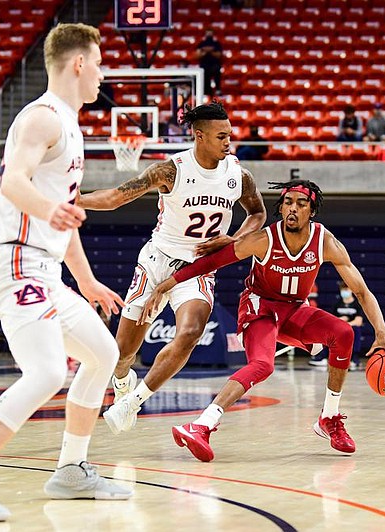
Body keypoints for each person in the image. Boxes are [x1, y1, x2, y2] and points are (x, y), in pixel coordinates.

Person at [0, 23, 132, 523]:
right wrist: (49, 209)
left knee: (103, 352)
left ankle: (71, 470)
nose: (103, 74)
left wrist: (85, 280)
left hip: (43, 269)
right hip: (16, 260)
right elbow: (14, 182)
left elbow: (67, 218)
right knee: (47, 372)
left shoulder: (71, 125)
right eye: (99, 63)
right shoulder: (41, 118)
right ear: (78, 63)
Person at [140, 180, 385, 462]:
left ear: (312, 211)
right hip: (260, 309)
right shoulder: (264, 239)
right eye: (288, 203)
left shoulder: (325, 242)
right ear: (280, 208)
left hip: (294, 311)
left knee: (343, 333)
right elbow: (212, 263)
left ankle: (329, 418)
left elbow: (362, 291)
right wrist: (167, 283)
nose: (293, 208)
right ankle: (201, 425)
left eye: (301, 204)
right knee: (262, 366)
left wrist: (382, 331)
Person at [78, 101, 267, 436]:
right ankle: (123, 381)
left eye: (229, 135)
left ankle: (132, 402)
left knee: (191, 331)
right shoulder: (171, 170)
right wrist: (75, 200)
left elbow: (258, 214)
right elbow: (116, 198)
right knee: (121, 354)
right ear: (199, 135)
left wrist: (233, 240)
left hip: (199, 268)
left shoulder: (238, 174)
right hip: (157, 261)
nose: (228, 142)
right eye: (221, 136)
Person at [309, 280, 364, 369]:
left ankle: (354, 358)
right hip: (339, 328)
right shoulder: (337, 304)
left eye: (346, 289)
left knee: (356, 330)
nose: (345, 292)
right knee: (328, 330)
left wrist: (345, 323)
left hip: (351, 327)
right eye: (343, 290)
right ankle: (322, 356)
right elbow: (333, 319)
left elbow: (358, 321)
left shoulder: (357, 305)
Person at [196, 29, 223, 96]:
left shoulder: (216, 44)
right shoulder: (201, 44)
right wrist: (206, 51)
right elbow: (198, 55)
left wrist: (210, 51)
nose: (209, 35)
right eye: (208, 33)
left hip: (214, 65)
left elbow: (219, 55)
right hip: (204, 66)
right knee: (204, 75)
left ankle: (218, 90)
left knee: (217, 70)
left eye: (210, 33)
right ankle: (207, 92)